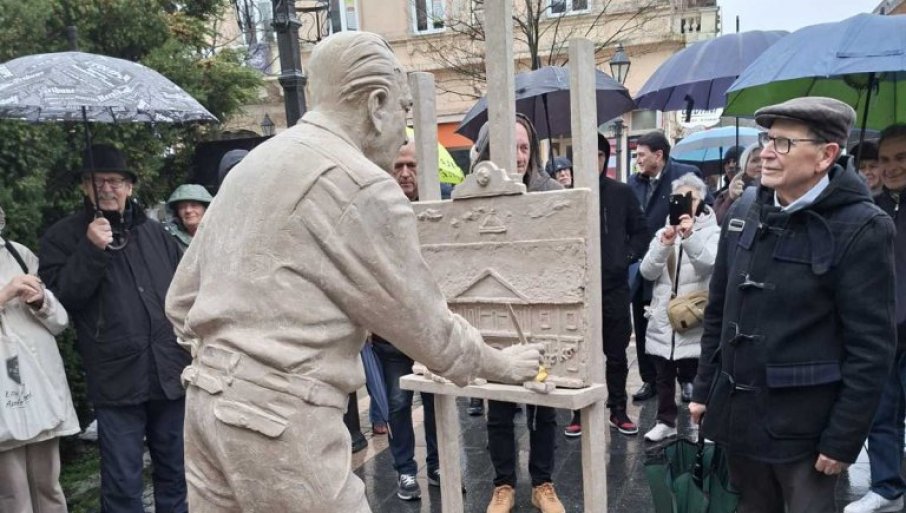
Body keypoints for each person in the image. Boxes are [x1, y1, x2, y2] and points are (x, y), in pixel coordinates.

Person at [164, 31, 542, 513]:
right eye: (405, 111)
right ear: (377, 103)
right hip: (278, 423)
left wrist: (234, 355)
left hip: (205, 408)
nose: (405, 132)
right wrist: (502, 364)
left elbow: (180, 301)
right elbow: (429, 332)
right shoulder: (360, 185)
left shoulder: (252, 166)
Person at [689, 97, 896, 512]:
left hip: (807, 433)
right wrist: (703, 390)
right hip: (740, 418)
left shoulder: (863, 226)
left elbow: (871, 348)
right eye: (768, 138)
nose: (766, 151)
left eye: (783, 143)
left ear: (826, 155)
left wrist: (842, 438)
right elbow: (720, 309)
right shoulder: (746, 208)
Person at [39, 143, 188, 513]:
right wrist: (91, 249)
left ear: (130, 187)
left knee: (178, 471)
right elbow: (63, 301)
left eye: (115, 181)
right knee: (122, 482)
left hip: (168, 371)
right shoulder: (63, 237)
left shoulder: (156, 234)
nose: (107, 188)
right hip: (116, 377)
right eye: (96, 181)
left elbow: (184, 291)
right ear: (84, 188)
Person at [470, 114, 565, 513]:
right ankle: (504, 484)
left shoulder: (548, 193)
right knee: (499, 406)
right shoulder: (475, 198)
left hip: (540, 314)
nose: (520, 156)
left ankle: (542, 483)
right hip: (495, 315)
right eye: (511, 147)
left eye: (525, 147)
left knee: (544, 403)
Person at [370, 139, 441, 501]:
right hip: (390, 333)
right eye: (398, 166)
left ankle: (438, 462)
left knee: (437, 403)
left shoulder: (440, 211)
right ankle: (406, 471)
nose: (404, 173)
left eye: (411, 165)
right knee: (398, 403)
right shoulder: (375, 214)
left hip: (431, 331)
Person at [563, 134, 647, 438]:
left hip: (613, 286)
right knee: (580, 354)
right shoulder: (567, 195)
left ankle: (618, 410)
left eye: (598, 154)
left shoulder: (621, 193)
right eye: (585, 154)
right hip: (579, 289)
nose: (592, 161)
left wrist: (623, 258)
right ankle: (579, 412)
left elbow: (641, 232)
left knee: (617, 353)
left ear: (605, 158)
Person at [0, 205, 79, 513]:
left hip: (40, 384)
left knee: (49, 487)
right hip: (4, 395)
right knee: (12, 496)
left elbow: (59, 322)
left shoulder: (19, 253)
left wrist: (41, 301)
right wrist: (5, 295)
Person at [845, 124, 906, 513]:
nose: (891, 167)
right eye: (884, 159)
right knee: (882, 410)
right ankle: (887, 486)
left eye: (901, 157)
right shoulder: (873, 209)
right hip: (883, 327)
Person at [639, 173, 720, 442]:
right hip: (664, 315)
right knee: (663, 373)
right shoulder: (664, 231)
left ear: (701, 200)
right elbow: (647, 272)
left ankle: (703, 424)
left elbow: (709, 265)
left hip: (695, 316)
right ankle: (666, 421)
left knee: (698, 374)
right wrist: (665, 243)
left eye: (691, 198)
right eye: (679, 198)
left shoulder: (713, 232)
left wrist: (690, 237)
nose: (685, 203)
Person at [628, 131, 704, 403]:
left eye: (641, 154)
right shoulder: (632, 183)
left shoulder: (685, 175)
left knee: (682, 317)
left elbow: (699, 210)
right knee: (644, 318)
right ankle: (649, 380)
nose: (637, 160)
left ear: (658, 155)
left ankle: (687, 378)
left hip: (677, 261)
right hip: (645, 261)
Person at [713, 143, 762, 224]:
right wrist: (731, 199)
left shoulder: (778, 191)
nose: (761, 164)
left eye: (735, 161)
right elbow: (717, 222)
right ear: (744, 165)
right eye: (755, 160)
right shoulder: (723, 195)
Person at [164, 184, 213, 249]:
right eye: (182, 207)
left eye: (194, 205)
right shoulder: (169, 242)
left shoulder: (221, 237)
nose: (188, 210)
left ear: (206, 209)